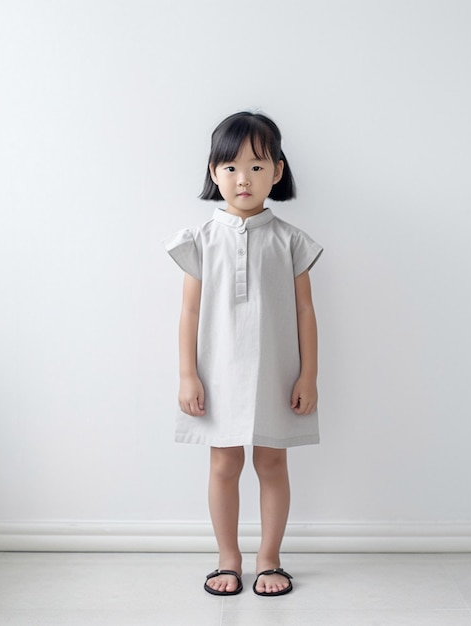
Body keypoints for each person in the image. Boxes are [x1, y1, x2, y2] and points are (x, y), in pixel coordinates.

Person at [164, 111, 322, 597]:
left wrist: (308, 376)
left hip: (276, 372)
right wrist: (188, 375)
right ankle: (227, 558)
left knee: (272, 464)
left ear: (277, 170)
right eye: (230, 167)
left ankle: (270, 558)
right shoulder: (200, 240)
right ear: (214, 172)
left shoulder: (291, 240)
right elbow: (189, 313)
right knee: (223, 464)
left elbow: (304, 311)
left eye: (257, 166)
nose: (243, 178)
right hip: (217, 372)